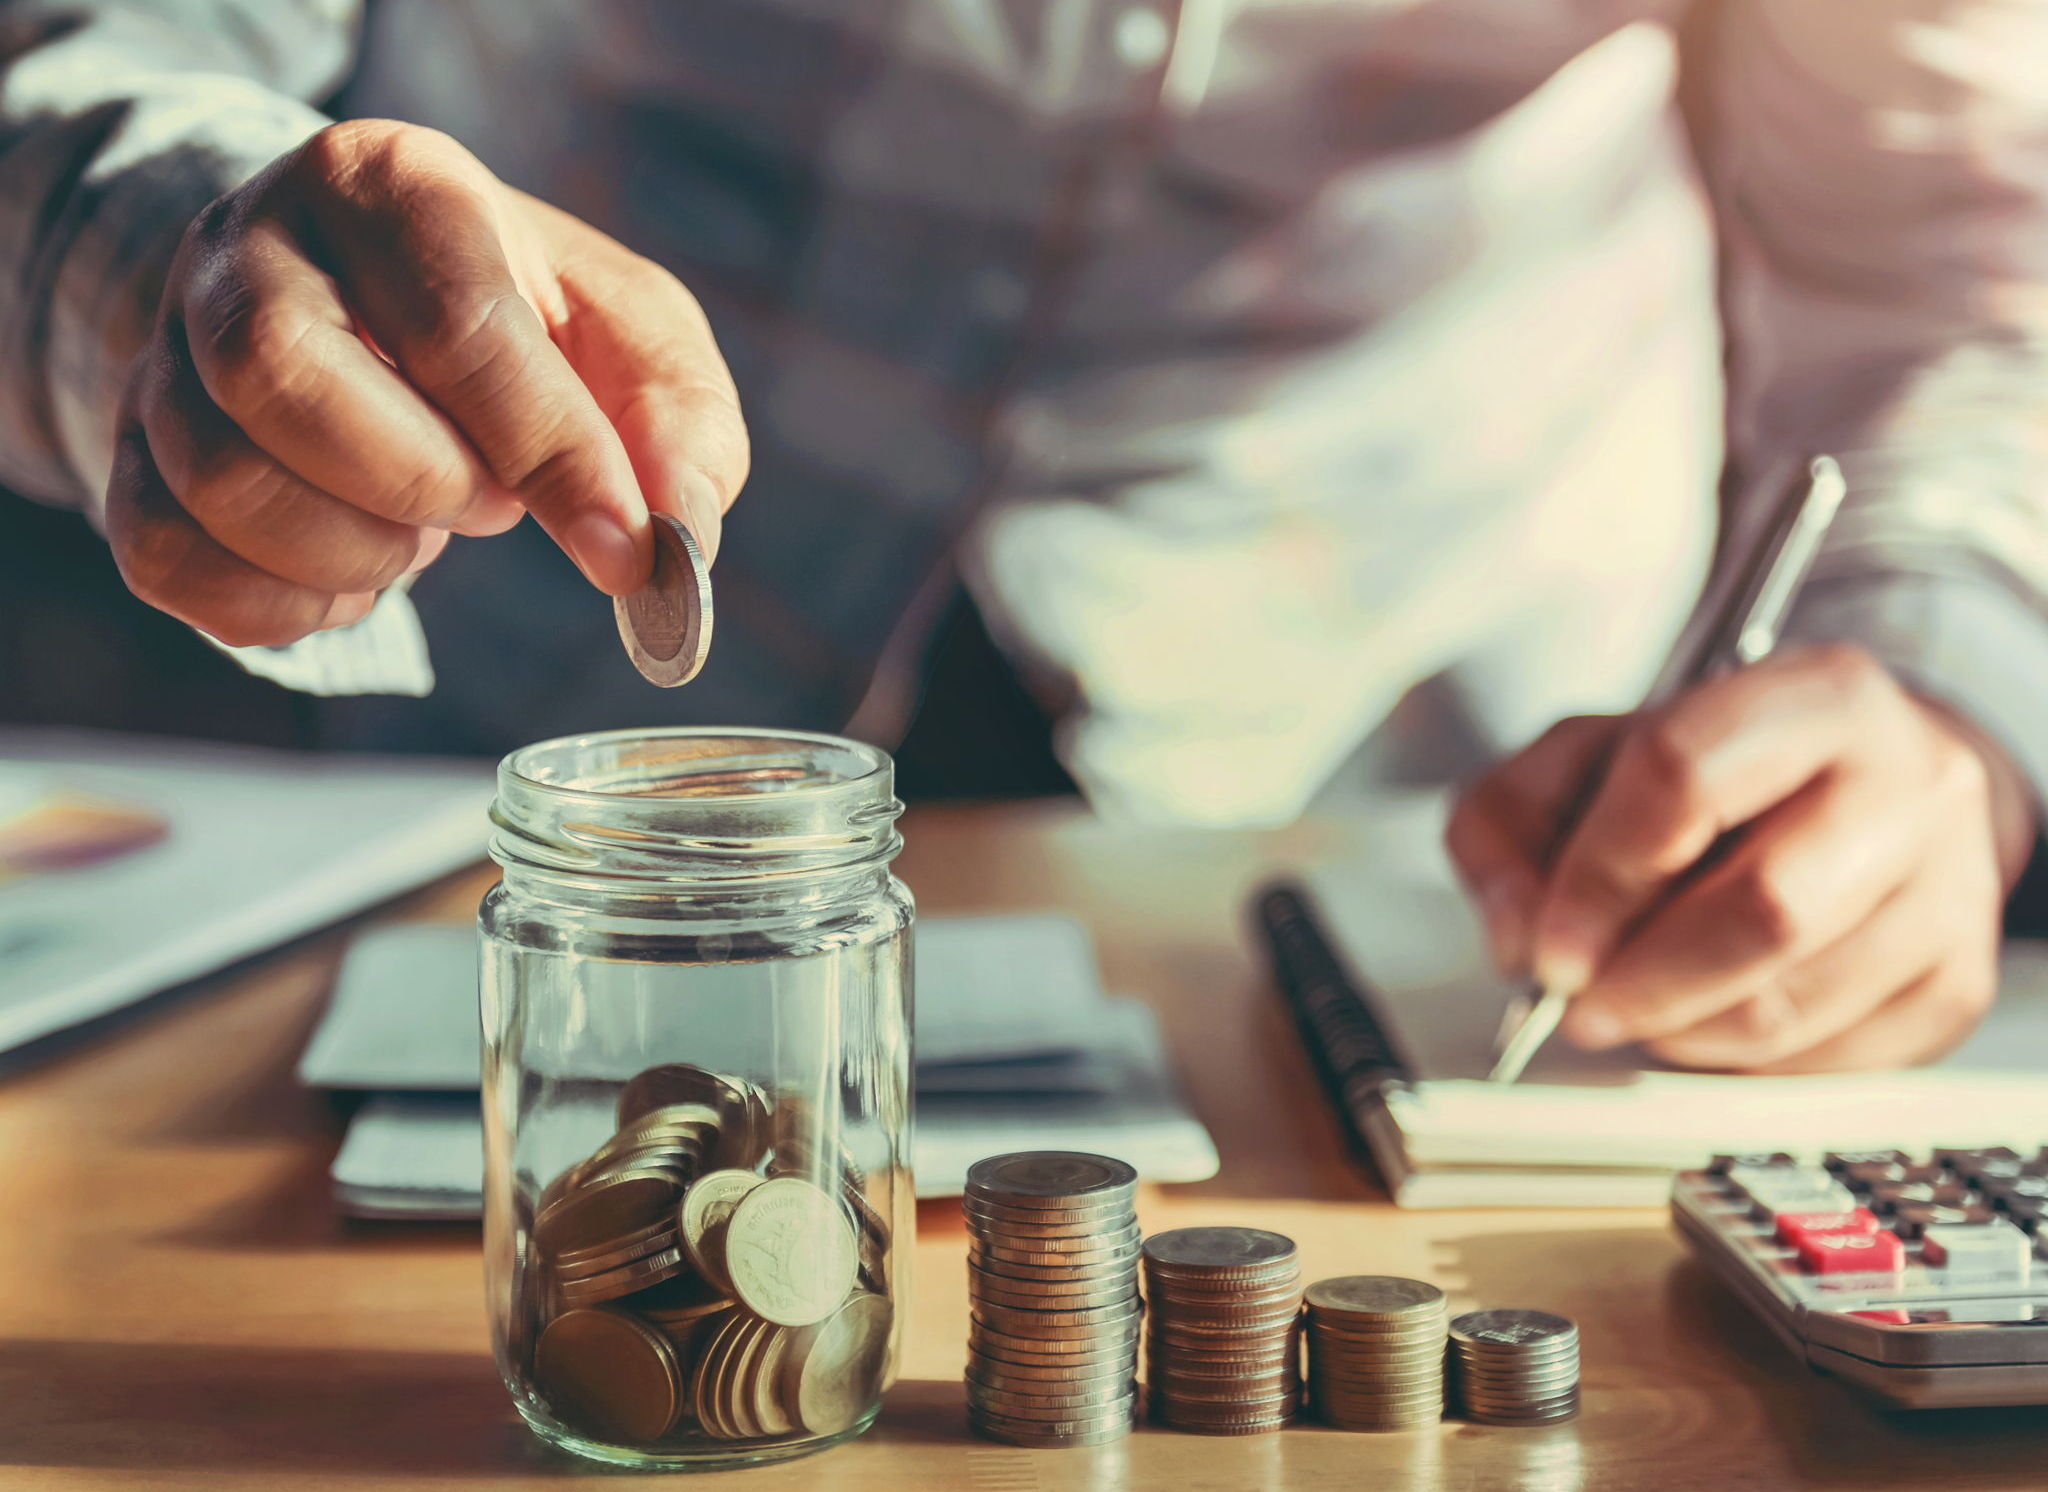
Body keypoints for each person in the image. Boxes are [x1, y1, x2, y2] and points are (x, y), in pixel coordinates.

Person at [0, 2, 2044, 1074]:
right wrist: (183, 263)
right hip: (455, 726)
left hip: (1399, 813)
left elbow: (1952, 248)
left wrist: (1940, 687)